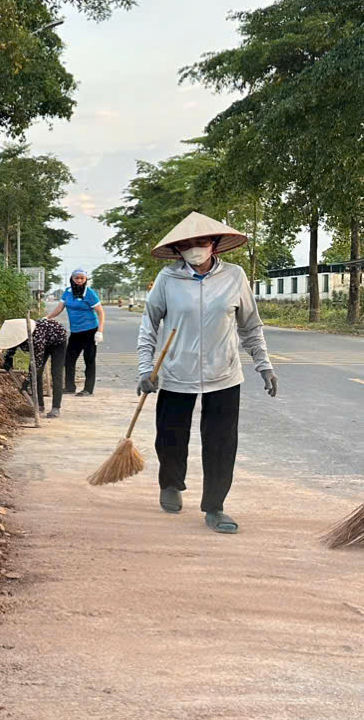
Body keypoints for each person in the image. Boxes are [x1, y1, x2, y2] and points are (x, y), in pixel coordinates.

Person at [137, 212, 277, 534]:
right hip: (174, 372)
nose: (194, 248)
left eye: (201, 242)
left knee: (221, 442)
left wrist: (264, 364)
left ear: (214, 244)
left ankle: (215, 506)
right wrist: (146, 369)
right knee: (170, 436)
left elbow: (250, 326)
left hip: (223, 373)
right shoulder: (167, 280)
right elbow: (149, 326)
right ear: (178, 250)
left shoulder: (235, 276)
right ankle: (171, 483)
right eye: (187, 244)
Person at [0, 315, 68, 418]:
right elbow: (12, 346)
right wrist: (9, 358)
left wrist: (27, 381)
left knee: (56, 372)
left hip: (58, 341)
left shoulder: (36, 338)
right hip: (44, 340)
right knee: (36, 374)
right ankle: (39, 405)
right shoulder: (17, 335)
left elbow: (37, 364)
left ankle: (56, 407)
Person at [50, 267, 104, 396]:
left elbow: (101, 312)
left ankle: (88, 389)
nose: (79, 281)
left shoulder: (90, 294)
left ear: (85, 280)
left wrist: (100, 331)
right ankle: (70, 387)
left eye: (82, 278)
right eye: (77, 278)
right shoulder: (67, 292)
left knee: (89, 359)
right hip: (75, 332)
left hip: (90, 331)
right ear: (72, 279)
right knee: (69, 359)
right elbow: (59, 309)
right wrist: (47, 317)